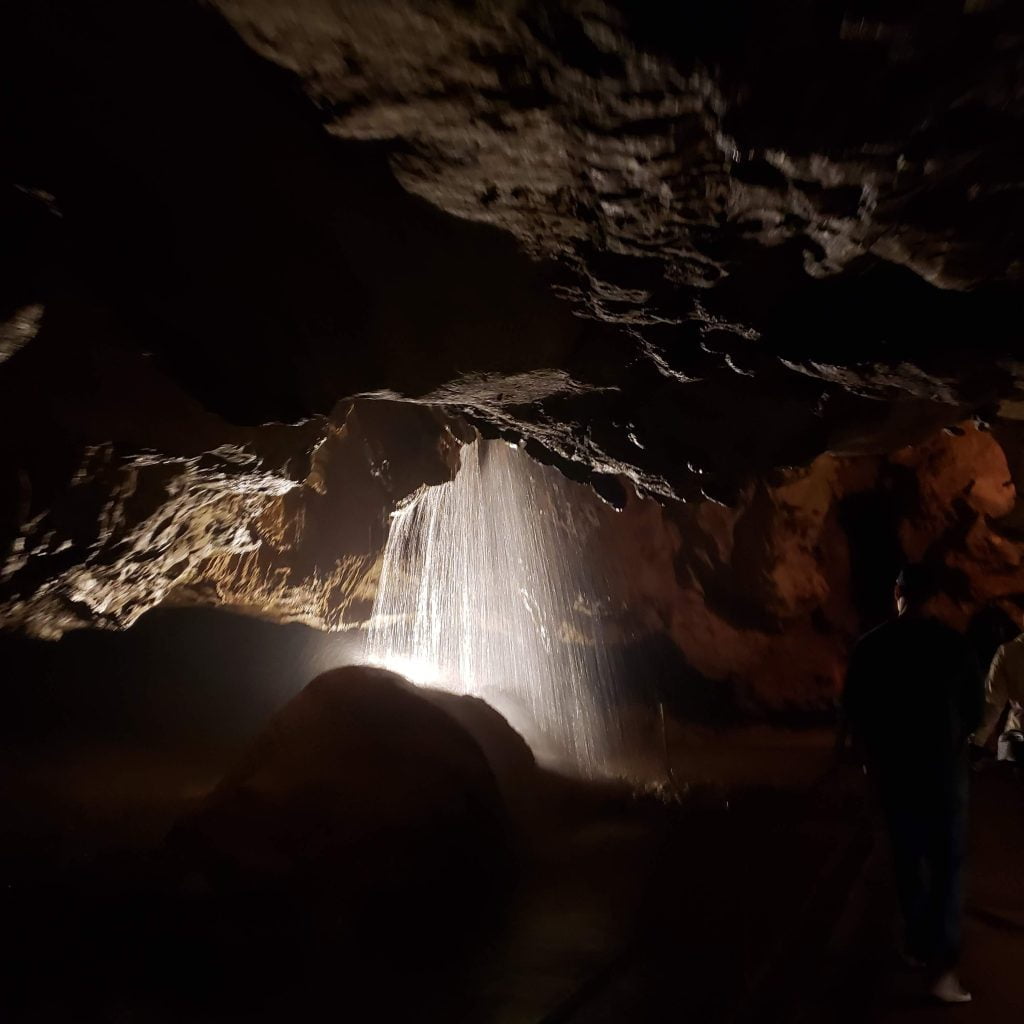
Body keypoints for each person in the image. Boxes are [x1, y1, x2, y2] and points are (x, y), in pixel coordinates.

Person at [842, 564, 983, 1004]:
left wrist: (867, 761)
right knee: (947, 866)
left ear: (897, 592)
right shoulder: (955, 646)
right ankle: (943, 969)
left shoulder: (871, 647)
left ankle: (920, 946)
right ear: (934, 597)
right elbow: (975, 712)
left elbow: (855, 713)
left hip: (895, 771)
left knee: (907, 860)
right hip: (943, 770)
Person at [974, 615, 1024, 762]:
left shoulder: (1008, 652)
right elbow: (992, 703)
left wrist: (976, 742)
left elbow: (993, 703)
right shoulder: (1009, 652)